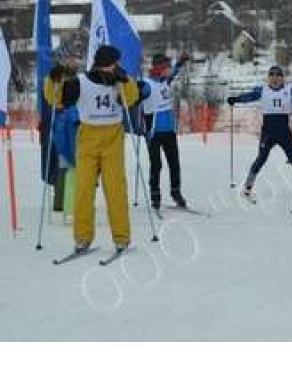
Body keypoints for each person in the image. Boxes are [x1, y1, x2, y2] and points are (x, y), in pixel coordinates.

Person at [44, 45, 139, 253]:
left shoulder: (119, 80)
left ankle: (122, 237)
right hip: (88, 137)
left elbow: (130, 99)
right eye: (115, 63)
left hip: (113, 137)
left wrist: (125, 80)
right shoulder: (81, 81)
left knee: (115, 190)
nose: (118, 66)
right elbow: (55, 99)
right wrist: (53, 78)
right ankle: (83, 237)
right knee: (84, 190)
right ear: (106, 63)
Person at [227, 65, 292, 201]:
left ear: (282, 78)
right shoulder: (263, 90)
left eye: (278, 75)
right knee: (261, 158)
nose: (275, 78)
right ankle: (247, 189)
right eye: (271, 75)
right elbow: (249, 96)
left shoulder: (289, 91)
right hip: (268, 131)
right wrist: (236, 99)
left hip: (284, 131)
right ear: (268, 78)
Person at [138, 52, 189, 210]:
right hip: (153, 132)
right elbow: (137, 95)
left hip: (168, 130)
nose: (170, 69)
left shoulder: (164, 80)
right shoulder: (147, 84)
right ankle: (155, 196)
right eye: (167, 66)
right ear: (160, 68)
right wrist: (135, 92)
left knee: (174, 163)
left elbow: (173, 72)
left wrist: (180, 62)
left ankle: (176, 192)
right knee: (156, 165)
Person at [48, 57, 81, 223]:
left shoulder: (78, 79)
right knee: (65, 163)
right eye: (70, 60)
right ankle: (62, 203)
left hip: (74, 118)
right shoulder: (55, 78)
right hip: (63, 118)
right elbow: (51, 97)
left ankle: (70, 204)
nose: (73, 63)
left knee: (72, 164)